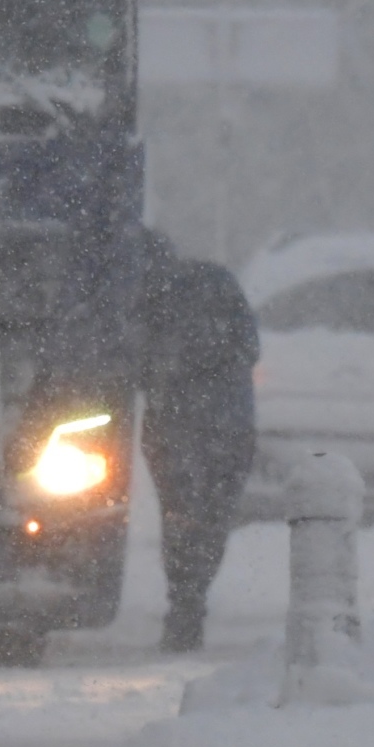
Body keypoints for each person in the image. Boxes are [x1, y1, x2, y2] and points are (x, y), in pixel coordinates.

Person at [135, 234, 258, 652]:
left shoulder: (147, 302)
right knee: (210, 516)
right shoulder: (217, 283)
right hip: (230, 424)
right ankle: (192, 600)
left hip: (178, 424)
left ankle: (185, 604)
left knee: (182, 515)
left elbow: (133, 364)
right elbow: (249, 347)